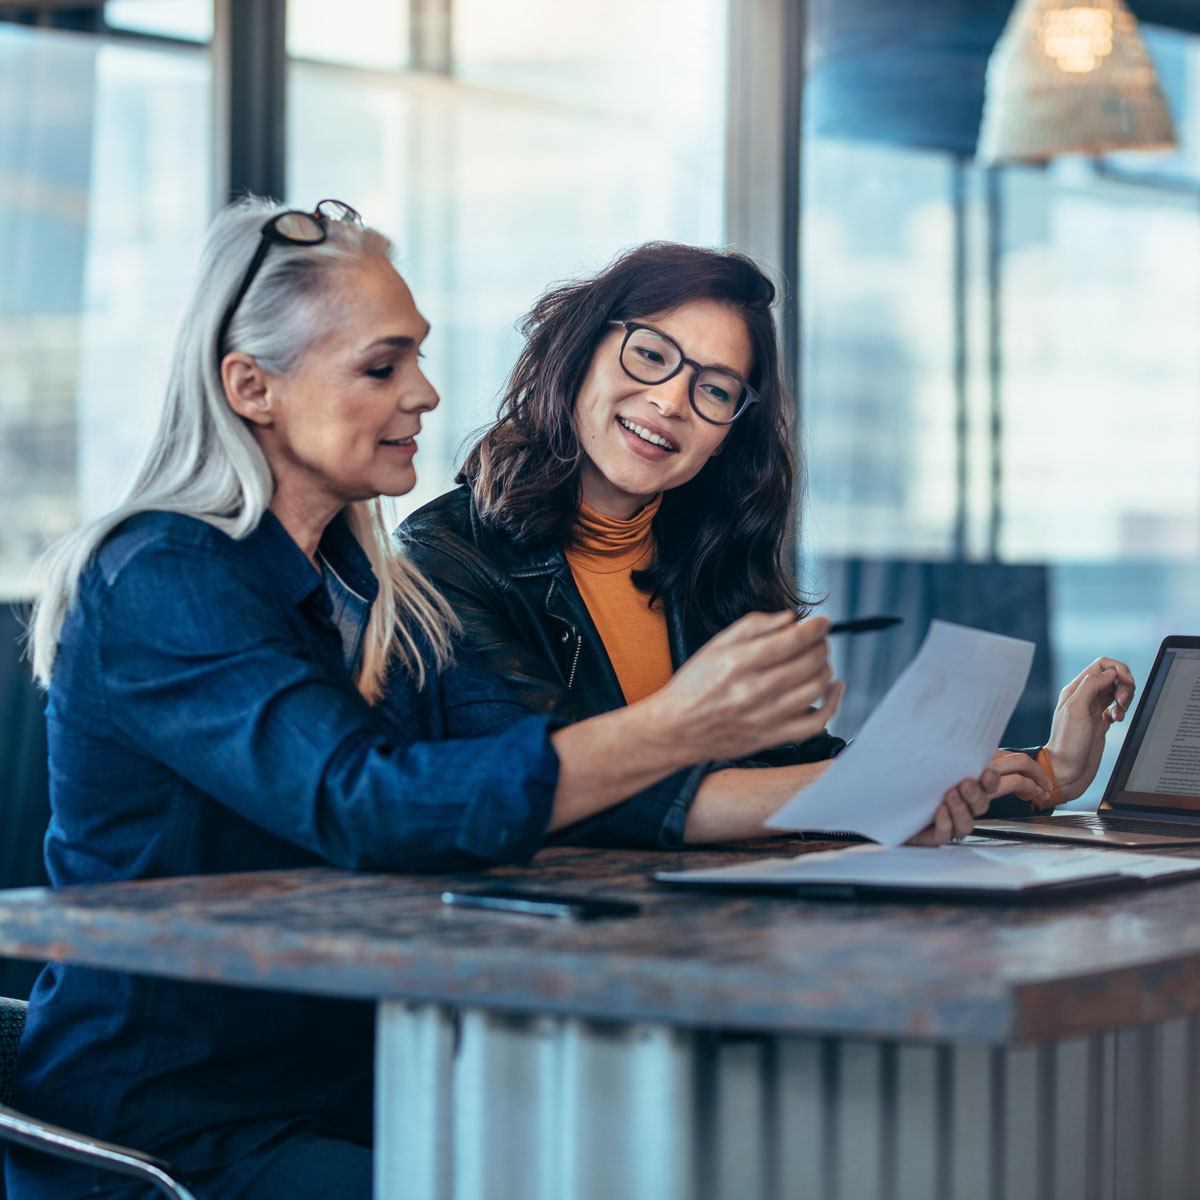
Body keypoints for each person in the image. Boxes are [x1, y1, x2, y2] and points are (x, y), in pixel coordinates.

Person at [7, 201, 881, 1200]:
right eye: (382, 368)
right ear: (252, 388)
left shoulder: (380, 595)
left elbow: (547, 773)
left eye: (417, 358)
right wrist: (680, 723)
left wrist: (891, 792)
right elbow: (364, 803)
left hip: (351, 1089)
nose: (424, 393)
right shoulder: (162, 576)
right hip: (179, 1128)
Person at [400, 242, 1135, 834]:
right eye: (651, 355)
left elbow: (795, 768)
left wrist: (1046, 772)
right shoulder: (443, 558)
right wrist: (871, 791)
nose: (670, 401)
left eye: (715, 389)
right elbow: (565, 788)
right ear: (580, 352)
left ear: (728, 435)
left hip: (721, 935)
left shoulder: (710, 559)